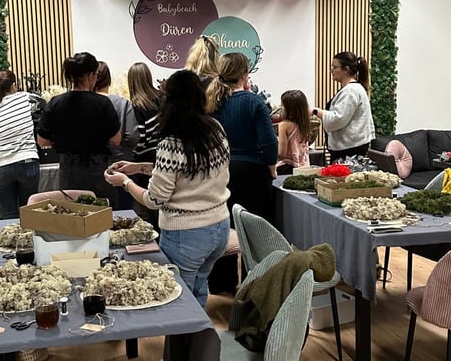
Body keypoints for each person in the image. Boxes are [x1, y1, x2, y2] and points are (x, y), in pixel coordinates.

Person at [104, 69, 230, 308]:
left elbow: (154, 199)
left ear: (168, 99)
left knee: (179, 304)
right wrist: (139, 168)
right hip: (219, 227)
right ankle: (199, 344)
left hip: (187, 234)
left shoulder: (171, 142)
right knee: (199, 293)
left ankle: (185, 346)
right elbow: (191, 172)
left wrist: (126, 183)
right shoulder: (215, 129)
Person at [36, 52, 121, 203]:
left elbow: (42, 141)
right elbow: (115, 140)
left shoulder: (55, 103)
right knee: (101, 215)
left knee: (72, 214)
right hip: (98, 169)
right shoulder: (103, 103)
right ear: (90, 75)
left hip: (68, 170)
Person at [207, 52, 278, 221]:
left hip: (219, 173)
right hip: (253, 174)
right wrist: (271, 167)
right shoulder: (254, 102)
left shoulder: (211, 102)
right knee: (257, 232)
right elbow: (269, 143)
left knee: (228, 230)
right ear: (244, 75)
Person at [0, 70, 40, 219]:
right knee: (29, 211)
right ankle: (30, 242)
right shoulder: (26, 98)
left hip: (0, 165)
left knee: (9, 214)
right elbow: (43, 107)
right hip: (26, 160)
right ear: (14, 86)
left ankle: (9, 241)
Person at [312, 51, 375, 163]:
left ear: (346, 69)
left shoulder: (350, 91)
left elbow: (338, 119)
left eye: (334, 67)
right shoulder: (352, 89)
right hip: (350, 147)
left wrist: (315, 111)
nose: (331, 71)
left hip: (349, 150)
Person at [94, 61, 139, 209]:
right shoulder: (122, 103)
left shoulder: (87, 104)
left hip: (93, 166)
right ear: (109, 80)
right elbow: (133, 136)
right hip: (122, 166)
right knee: (124, 215)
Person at [127, 62, 165, 228]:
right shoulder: (163, 98)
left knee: (149, 202)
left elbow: (140, 138)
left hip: (144, 159)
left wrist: (133, 153)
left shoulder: (136, 105)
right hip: (165, 154)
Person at [276, 90, 312, 175]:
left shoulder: (284, 125)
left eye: (282, 106)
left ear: (289, 109)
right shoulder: (305, 125)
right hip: (303, 168)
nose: (281, 108)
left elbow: (282, 153)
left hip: (286, 167)